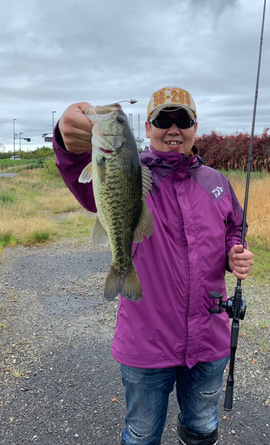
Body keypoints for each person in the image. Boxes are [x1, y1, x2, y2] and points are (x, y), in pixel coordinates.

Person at [53, 86, 254, 445]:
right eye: (164, 120)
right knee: (142, 432)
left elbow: (234, 226)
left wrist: (233, 252)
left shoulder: (216, 182)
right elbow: (79, 174)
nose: (173, 129)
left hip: (209, 338)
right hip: (146, 342)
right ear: (147, 128)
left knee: (202, 424)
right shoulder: (131, 170)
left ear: (196, 127)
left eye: (183, 120)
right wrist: (66, 141)